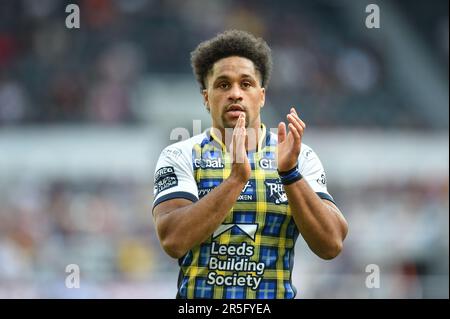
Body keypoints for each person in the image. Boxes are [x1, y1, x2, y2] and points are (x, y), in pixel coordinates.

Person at [152, 30, 348, 299]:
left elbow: (331, 244)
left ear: (262, 95)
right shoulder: (180, 154)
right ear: (206, 97)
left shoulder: (298, 156)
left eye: (246, 84)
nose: (235, 93)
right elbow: (173, 240)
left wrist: (290, 174)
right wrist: (236, 180)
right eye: (223, 85)